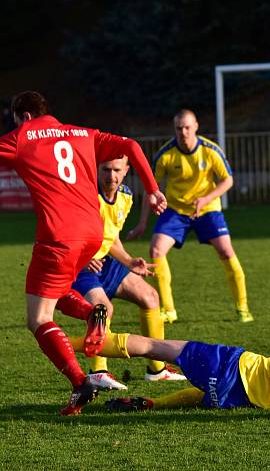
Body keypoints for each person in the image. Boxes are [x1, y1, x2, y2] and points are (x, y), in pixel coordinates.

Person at [0, 91, 167, 416]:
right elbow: (131, 146)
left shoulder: (23, 136)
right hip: (91, 233)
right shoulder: (82, 133)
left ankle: (80, 381)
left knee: (39, 318)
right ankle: (91, 314)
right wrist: (154, 190)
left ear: (24, 117)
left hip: (58, 237)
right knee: (53, 293)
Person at [67, 302, 270, 411]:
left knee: (155, 346)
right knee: (203, 394)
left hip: (235, 365)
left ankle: (68, 343)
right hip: (242, 400)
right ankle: (152, 404)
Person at [62, 156, 187, 389]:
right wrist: (84, 256)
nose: (111, 176)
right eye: (106, 170)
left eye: (117, 170)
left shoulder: (126, 196)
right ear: (96, 169)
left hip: (105, 262)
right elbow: (63, 233)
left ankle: (157, 370)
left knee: (150, 297)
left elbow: (112, 239)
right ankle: (98, 373)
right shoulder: (85, 196)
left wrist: (129, 261)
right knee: (102, 310)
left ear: (127, 170)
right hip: (79, 265)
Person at [126, 109, 252, 324]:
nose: (183, 132)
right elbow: (151, 190)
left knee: (226, 251)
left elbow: (227, 180)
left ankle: (243, 307)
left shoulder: (210, 151)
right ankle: (169, 310)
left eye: (187, 127)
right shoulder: (165, 155)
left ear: (196, 126)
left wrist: (206, 199)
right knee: (156, 249)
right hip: (176, 210)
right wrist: (142, 223)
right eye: (178, 128)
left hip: (208, 209)